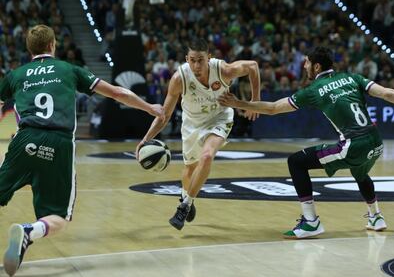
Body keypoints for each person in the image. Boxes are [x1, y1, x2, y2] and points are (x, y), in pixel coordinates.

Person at [0, 24, 164, 276]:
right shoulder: (69, 70)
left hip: (24, 139)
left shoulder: (15, 75)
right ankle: (30, 232)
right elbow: (117, 93)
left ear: (28, 49)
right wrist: (149, 108)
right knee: (58, 218)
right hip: (59, 145)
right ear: (53, 45)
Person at [218, 46, 394, 239]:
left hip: (353, 145)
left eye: (307, 62)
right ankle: (376, 217)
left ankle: (311, 222)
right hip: (376, 142)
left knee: (296, 162)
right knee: (359, 171)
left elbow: (274, 108)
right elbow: (388, 93)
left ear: (317, 67)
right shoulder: (352, 77)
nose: (304, 66)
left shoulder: (314, 90)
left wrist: (238, 103)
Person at [136, 38, 260, 230]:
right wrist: (145, 139)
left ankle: (184, 207)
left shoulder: (223, 70)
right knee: (189, 169)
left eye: (200, 60)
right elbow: (165, 115)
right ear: (187, 58)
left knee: (207, 156)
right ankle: (187, 196)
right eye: (192, 60)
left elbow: (252, 66)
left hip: (220, 117)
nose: (196, 65)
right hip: (192, 124)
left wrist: (255, 101)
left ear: (209, 58)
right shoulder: (179, 78)